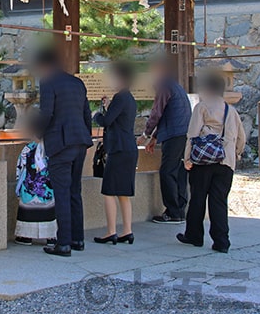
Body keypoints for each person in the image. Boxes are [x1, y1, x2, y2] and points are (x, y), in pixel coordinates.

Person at [33, 48, 93, 257]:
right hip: (80, 142)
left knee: (62, 193)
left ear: (44, 65)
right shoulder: (77, 83)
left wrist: (37, 133)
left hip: (60, 144)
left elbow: (46, 113)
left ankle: (64, 243)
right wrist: (86, 138)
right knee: (75, 191)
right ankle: (78, 239)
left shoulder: (48, 81)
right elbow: (87, 114)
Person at [177, 71, 246, 253]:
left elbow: (192, 135)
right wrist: (235, 154)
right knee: (219, 202)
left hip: (202, 162)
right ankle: (222, 241)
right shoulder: (232, 111)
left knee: (198, 199)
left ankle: (194, 235)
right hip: (225, 162)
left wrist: (187, 158)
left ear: (207, 88)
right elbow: (241, 138)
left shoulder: (202, 108)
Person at [137, 57, 192, 224]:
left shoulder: (164, 86)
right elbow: (168, 114)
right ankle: (180, 209)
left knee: (167, 171)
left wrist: (146, 135)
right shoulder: (176, 86)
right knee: (180, 171)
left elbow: (157, 113)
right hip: (183, 133)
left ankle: (173, 211)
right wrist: (154, 137)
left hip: (174, 134)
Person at [92, 61, 138, 245]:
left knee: (109, 191)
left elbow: (106, 121)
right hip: (128, 148)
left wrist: (96, 115)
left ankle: (111, 231)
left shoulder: (120, 97)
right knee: (124, 192)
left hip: (119, 149)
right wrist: (109, 105)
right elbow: (117, 118)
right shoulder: (129, 98)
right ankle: (127, 230)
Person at [14, 139, 57, 246]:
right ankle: (51, 236)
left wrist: (18, 186)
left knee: (28, 211)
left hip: (29, 188)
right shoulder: (52, 146)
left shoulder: (27, 149)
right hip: (46, 188)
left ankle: (26, 236)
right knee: (49, 211)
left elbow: (20, 167)